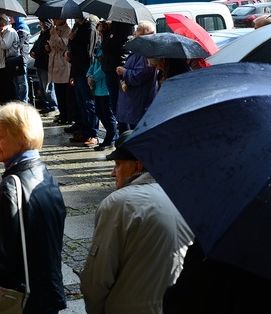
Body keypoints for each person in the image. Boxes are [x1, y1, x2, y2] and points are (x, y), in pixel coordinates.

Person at [0, 102, 67, 313]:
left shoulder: (10, 188)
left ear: (21, 138)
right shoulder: (45, 176)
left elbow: (0, 264)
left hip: (24, 301)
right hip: (47, 294)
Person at [80, 134, 193, 314]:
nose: (112, 173)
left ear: (138, 166)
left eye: (117, 165)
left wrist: (94, 309)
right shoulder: (185, 196)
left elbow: (99, 276)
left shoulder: (119, 203)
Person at [116, 21, 158, 132]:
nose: (135, 33)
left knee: (137, 131)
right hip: (133, 99)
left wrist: (124, 72)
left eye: (138, 30)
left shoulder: (145, 52)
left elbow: (141, 75)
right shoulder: (139, 50)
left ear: (146, 33)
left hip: (139, 100)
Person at [67, 15, 99, 147]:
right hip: (77, 69)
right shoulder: (78, 27)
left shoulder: (89, 27)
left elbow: (88, 51)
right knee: (81, 103)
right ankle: (85, 130)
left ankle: (93, 133)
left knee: (89, 103)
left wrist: (75, 40)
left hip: (85, 70)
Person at [87, 37, 117, 151]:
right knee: (100, 112)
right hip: (98, 88)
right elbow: (93, 64)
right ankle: (111, 137)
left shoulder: (107, 50)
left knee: (108, 114)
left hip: (105, 88)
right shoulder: (99, 49)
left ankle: (111, 139)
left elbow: (104, 68)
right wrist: (89, 75)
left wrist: (93, 78)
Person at [30, 18, 58, 114]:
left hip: (46, 64)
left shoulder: (50, 33)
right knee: (42, 87)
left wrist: (46, 50)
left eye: (41, 22)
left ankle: (53, 106)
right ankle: (47, 104)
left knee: (48, 87)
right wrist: (32, 52)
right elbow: (36, 45)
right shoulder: (42, 33)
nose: (40, 24)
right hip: (39, 63)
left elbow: (49, 48)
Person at [47, 18, 71, 124]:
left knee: (64, 92)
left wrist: (55, 35)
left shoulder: (67, 30)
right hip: (54, 63)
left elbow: (64, 45)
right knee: (58, 91)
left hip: (63, 65)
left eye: (56, 18)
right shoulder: (54, 29)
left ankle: (66, 116)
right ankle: (62, 114)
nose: (54, 20)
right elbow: (53, 45)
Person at [0, 14, 20, 104]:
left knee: (9, 88)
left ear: (3, 25)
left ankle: (10, 106)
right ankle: (3, 104)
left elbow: (5, 45)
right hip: (1, 64)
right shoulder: (2, 33)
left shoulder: (10, 32)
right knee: (2, 88)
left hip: (8, 64)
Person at [11, 16, 31, 103]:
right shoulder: (15, 27)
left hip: (21, 58)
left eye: (11, 16)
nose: (9, 18)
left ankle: (23, 100)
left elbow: (19, 44)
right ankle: (19, 99)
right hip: (16, 58)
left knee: (21, 81)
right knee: (16, 81)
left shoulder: (22, 28)